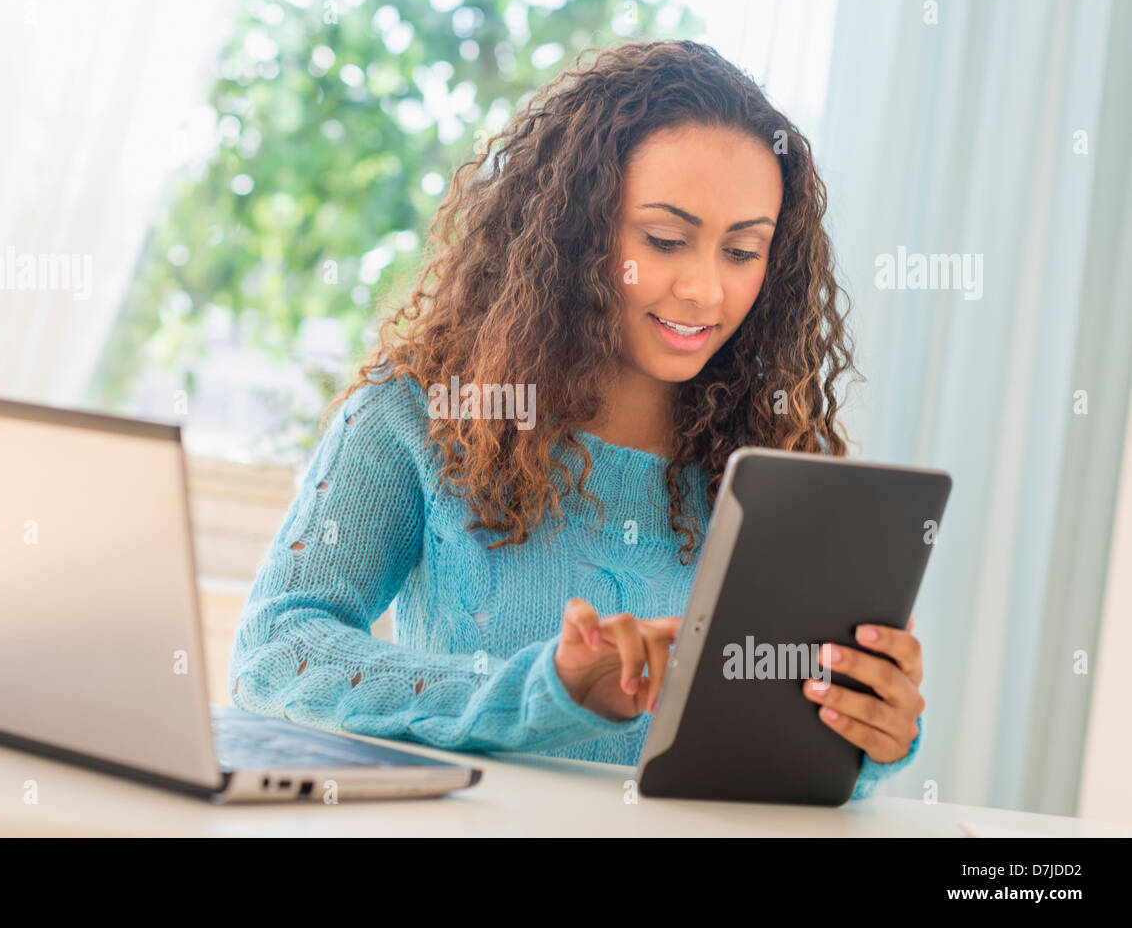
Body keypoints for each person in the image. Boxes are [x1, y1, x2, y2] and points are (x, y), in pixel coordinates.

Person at [228, 40, 924, 800]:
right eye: (664, 240)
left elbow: (786, 759)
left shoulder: (778, 461)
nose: (703, 290)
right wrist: (542, 688)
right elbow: (274, 651)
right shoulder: (419, 418)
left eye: (743, 250)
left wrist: (869, 740)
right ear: (574, 231)